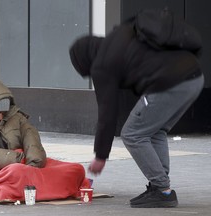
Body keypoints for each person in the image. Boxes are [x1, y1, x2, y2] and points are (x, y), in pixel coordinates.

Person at [69, 12, 204, 208]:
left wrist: (100, 155)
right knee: (155, 129)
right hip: (195, 77)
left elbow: (107, 114)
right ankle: (160, 185)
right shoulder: (119, 36)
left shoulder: (102, 64)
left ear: (84, 62)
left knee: (132, 134)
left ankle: (162, 190)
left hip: (170, 84)